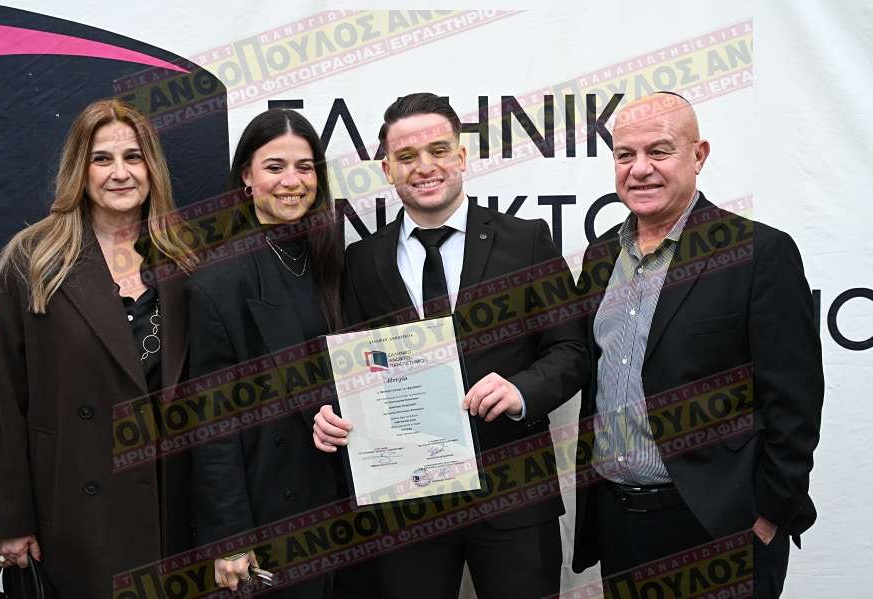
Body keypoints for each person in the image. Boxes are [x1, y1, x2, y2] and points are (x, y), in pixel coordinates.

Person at [312, 93, 589, 599]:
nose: (425, 167)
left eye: (438, 150)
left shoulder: (526, 241)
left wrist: (521, 390)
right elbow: (349, 371)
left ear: (460, 156)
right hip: (405, 508)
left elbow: (572, 350)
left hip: (513, 498)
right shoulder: (361, 261)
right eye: (406, 156)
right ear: (388, 169)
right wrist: (330, 411)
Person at [570, 92, 824, 598]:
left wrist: (768, 516)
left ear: (698, 155)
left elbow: (795, 403)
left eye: (659, 151)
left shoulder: (758, 253)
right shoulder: (600, 258)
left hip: (719, 529)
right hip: (619, 525)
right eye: (625, 155)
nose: (640, 169)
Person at [0, 98, 197, 597]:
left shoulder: (185, 259)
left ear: (152, 168)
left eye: (133, 157)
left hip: (169, 507)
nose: (120, 173)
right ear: (80, 169)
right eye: (102, 159)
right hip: (71, 509)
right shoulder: (34, 260)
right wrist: (10, 519)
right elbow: (5, 398)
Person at [187, 108, 345, 595]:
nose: (292, 181)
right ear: (247, 177)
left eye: (304, 167)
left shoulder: (332, 258)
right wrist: (231, 538)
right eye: (275, 167)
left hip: (344, 497)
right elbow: (212, 422)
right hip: (272, 510)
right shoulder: (219, 280)